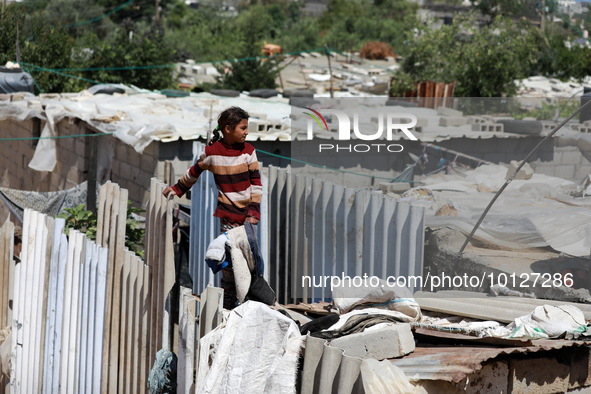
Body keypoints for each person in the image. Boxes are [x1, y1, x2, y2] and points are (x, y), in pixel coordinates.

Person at [162, 106, 262, 309]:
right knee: (229, 263)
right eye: (242, 128)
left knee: (248, 262)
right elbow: (193, 173)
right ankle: (228, 305)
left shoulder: (249, 152)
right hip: (227, 218)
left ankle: (246, 302)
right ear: (227, 129)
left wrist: (253, 212)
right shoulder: (211, 154)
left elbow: (256, 184)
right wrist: (177, 188)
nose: (246, 132)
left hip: (248, 219)